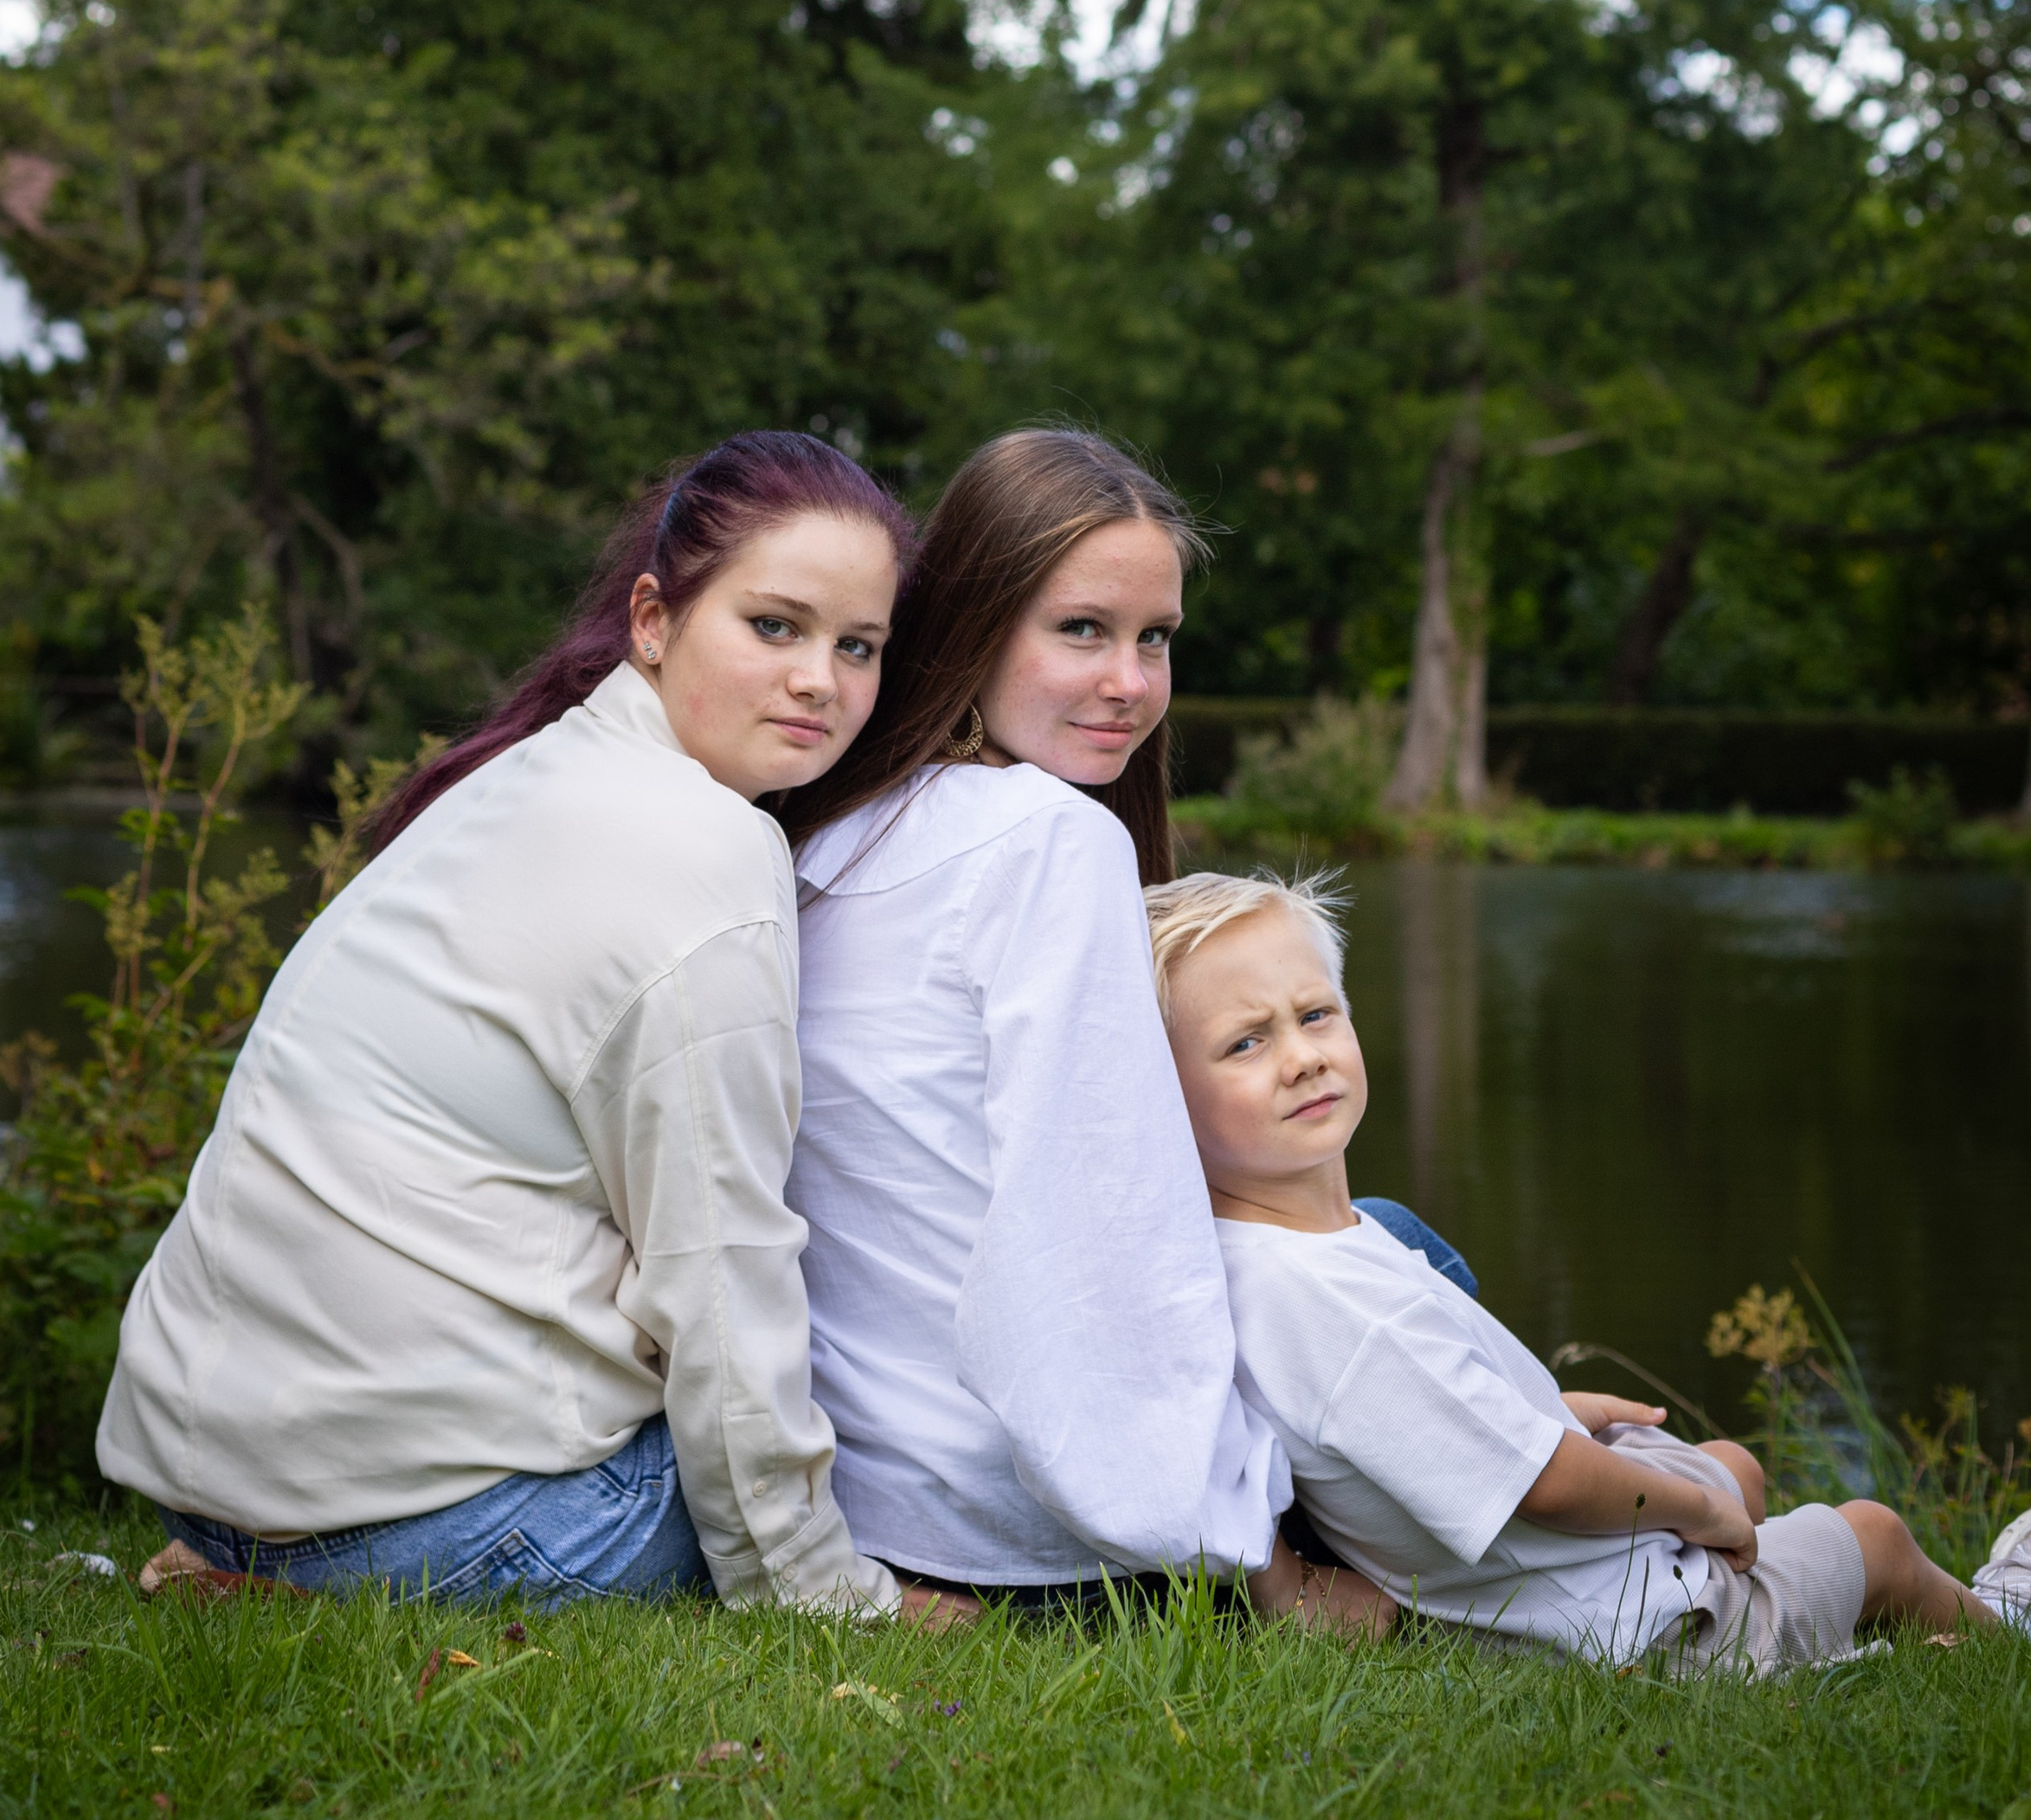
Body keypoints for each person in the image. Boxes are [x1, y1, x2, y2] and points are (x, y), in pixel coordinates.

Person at [100, 430, 936, 1622]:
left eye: (859, 647)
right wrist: (822, 1593)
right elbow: (720, 1268)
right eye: (775, 627)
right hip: (435, 1515)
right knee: (876, 1437)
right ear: (654, 621)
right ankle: (340, 1581)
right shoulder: (699, 855)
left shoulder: (525, 777)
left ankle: (269, 1574)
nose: (822, 681)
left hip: (223, 1479)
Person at [781, 426, 1431, 1619]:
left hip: (878, 1491)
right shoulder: (1048, 840)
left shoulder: (832, 832)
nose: (1129, 683)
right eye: (1080, 629)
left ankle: (1547, 1449)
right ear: (973, 622)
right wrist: (1262, 1563)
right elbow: (1094, 1238)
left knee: (1362, 1245)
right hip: (1026, 1530)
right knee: (1389, 1246)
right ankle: (1560, 1482)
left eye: (1156, 639)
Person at [1145, 865, 2026, 1668]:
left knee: (1737, 1465)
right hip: (1644, 1630)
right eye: (1244, 1044)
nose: (1301, 1057)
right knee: (1869, 1534)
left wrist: (1548, 1410)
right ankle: (1995, 1638)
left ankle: (1905, 1625)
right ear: (1163, 1098)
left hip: (1554, 1588)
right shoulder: (1323, 1300)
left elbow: (1398, 1426)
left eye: (1313, 1015)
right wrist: (1696, 1513)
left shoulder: (1277, 1255)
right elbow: (1547, 1485)